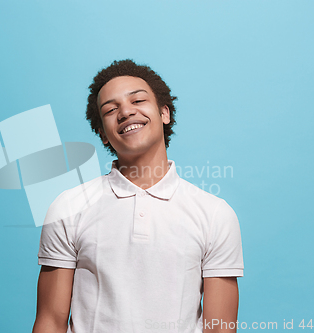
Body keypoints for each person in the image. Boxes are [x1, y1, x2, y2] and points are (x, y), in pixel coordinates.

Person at [32, 59, 244, 333]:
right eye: (111, 109)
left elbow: (220, 328)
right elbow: (50, 320)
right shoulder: (68, 207)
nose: (126, 112)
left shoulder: (215, 214)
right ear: (103, 134)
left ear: (164, 113)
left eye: (138, 100)